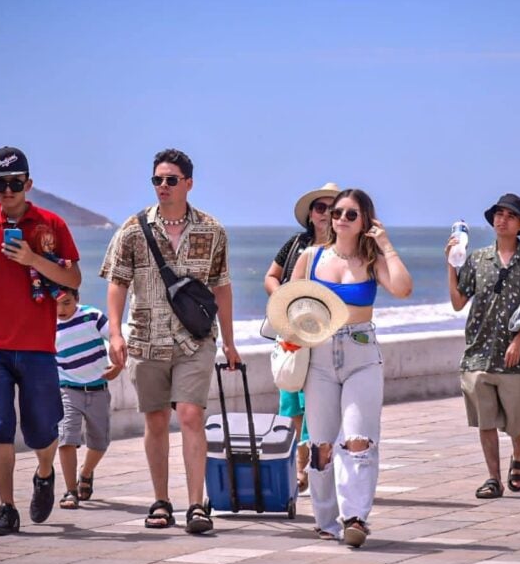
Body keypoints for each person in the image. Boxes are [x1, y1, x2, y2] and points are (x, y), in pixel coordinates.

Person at [101, 148, 241, 535]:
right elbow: (117, 283)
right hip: (146, 339)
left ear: (188, 183)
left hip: (195, 340)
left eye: (171, 180)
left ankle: (197, 505)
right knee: (157, 419)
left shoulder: (212, 230)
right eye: (157, 180)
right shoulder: (132, 229)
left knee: (192, 414)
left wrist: (229, 342)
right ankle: (162, 500)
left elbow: (222, 288)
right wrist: (115, 332)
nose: (163, 186)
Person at [0, 146, 82, 535]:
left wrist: (32, 260)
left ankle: (45, 473)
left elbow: (73, 279)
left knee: (42, 430)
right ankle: (6, 507)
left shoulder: (51, 224)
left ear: (28, 183)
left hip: (37, 345)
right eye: (0, 184)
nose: (7, 191)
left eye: (14, 183)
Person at [289, 188, 412, 547]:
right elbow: (288, 305)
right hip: (321, 356)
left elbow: (403, 289)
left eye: (350, 214)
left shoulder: (371, 260)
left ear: (365, 221)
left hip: (361, 353)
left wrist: (386, 244)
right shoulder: (310, 258)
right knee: (322, 444)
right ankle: (326, 519)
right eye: (336, 212)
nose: (340, 218)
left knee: (359, 439)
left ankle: (355, 516)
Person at [446, 193, 520, 499]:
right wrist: (450, 265)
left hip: (515, 355)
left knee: (518, 418)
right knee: (485, 420)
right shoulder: (477, 258)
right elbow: (457, 302)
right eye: (498, 214)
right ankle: (493, 478)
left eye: (509, 215)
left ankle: (518, 454)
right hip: (478, 353)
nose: (501, 219)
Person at [264, 182, 339, 493]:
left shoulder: (342, 251)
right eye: (319, 208)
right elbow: (271, 276)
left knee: (316, 402)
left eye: (332, 209)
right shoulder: (295, 244)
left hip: (326, 336)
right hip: (291, 334)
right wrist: (286, 299)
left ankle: (309, 467)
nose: (325, 214)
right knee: (291, 400)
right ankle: (300, 465)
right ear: (311, 214)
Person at [54, 288, 122, 509]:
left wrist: (118, 366)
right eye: (56, 304)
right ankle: (70, 491)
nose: (60, 309)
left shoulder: (92, 316)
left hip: (98, 389)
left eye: (66, 303)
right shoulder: (46, 324)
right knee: (66, 439)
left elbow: (115, 338)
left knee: (100, 443)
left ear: (77, 299)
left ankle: (85, 473)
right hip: (67, 389)